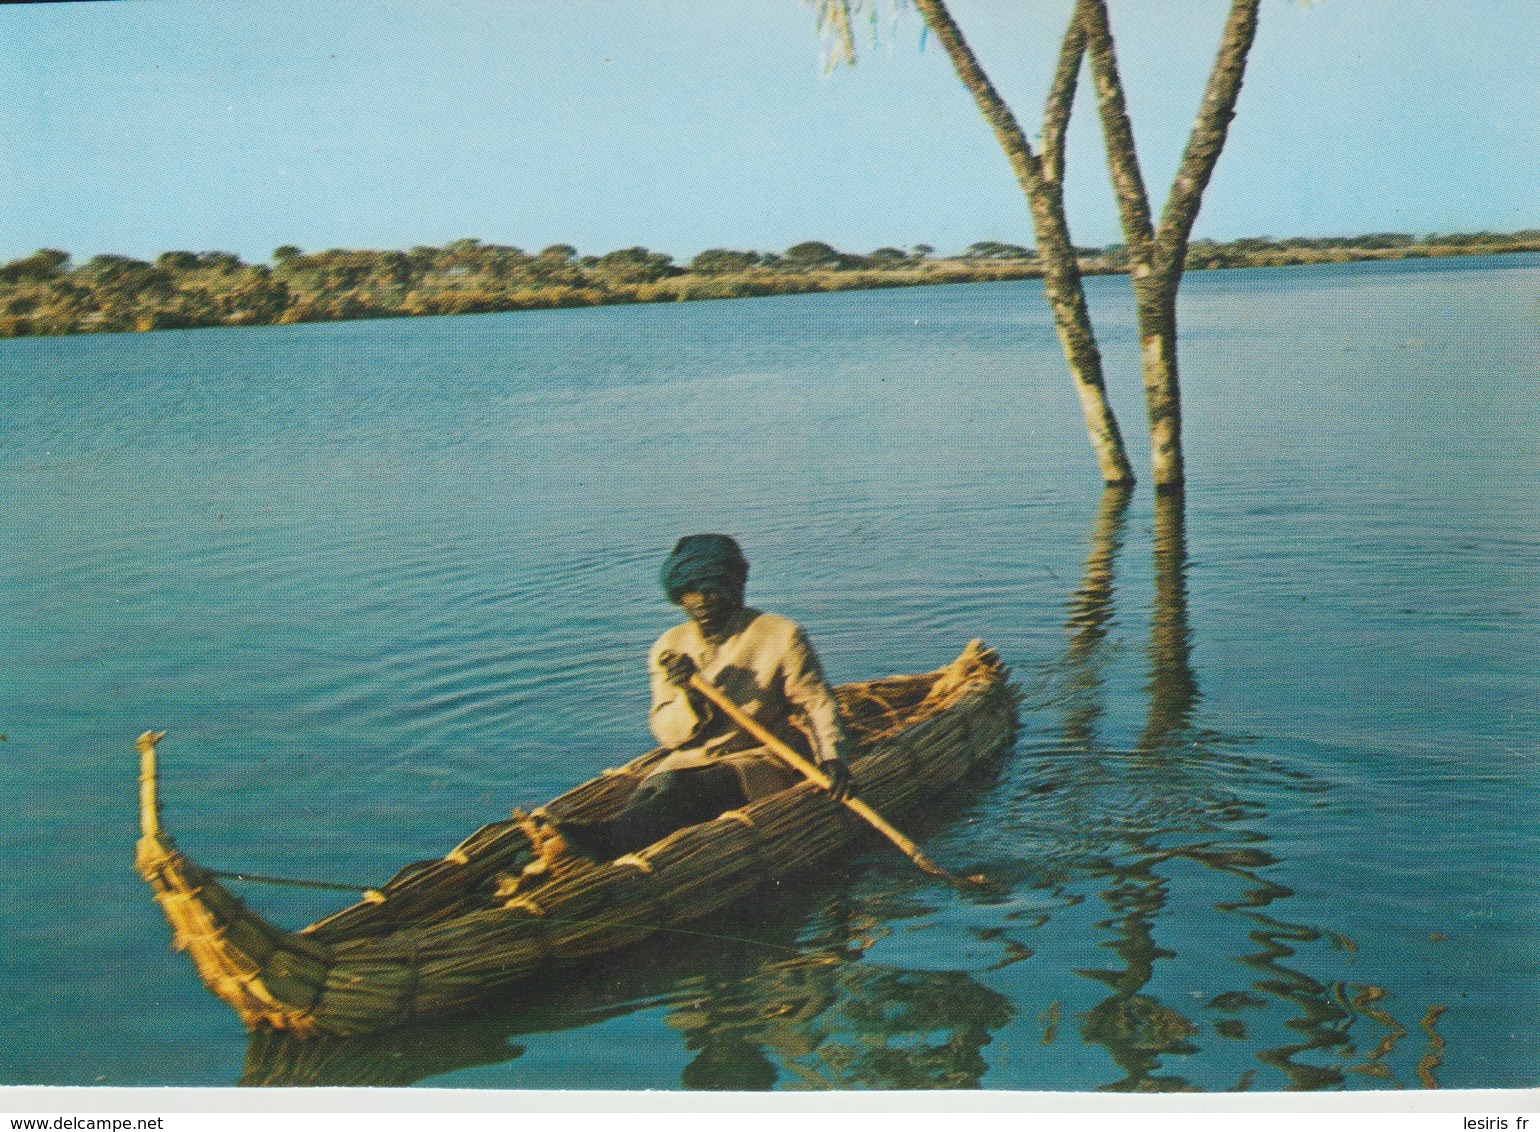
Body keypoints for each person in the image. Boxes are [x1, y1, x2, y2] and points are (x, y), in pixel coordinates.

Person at [557, 534, 853, 860]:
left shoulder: (779, 634)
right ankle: (601, 842)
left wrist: (832, 757)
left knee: (683, 793)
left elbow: (815, 702)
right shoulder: (669, 646)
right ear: (679, 598)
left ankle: (608, 842)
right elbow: (667, 734)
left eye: (712, 590)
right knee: (658, 789)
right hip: (689, 760)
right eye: (690, 594)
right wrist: (688, 695)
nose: (702, 602)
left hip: (761, 757)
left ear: (735, 588)